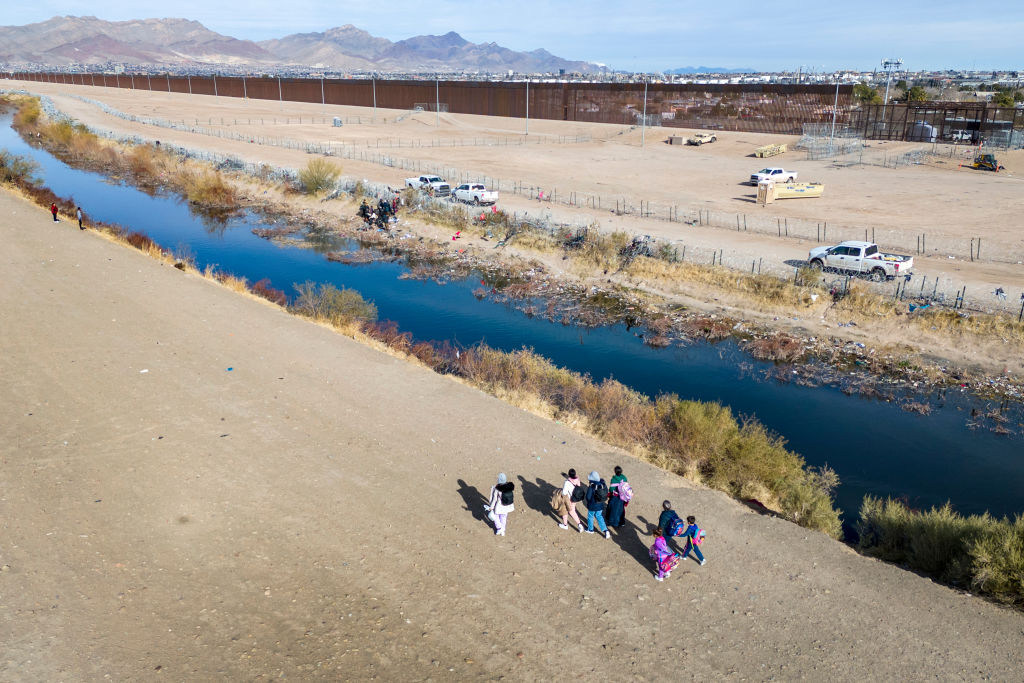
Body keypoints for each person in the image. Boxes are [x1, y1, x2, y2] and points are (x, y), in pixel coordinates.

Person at [487, 472, 515, 537]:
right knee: (503, 518)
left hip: (499, 507)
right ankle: (503, 530)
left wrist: (491, 507)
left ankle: (499, 529)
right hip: (507, 507)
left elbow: (494, 500)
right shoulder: (509, 487)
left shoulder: (497, 489)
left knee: (496, 517)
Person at [584, 471, 610, 539]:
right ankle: (606, 531)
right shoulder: (602, 485)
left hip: (592, 505)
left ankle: (590, 529)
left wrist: (588, 501)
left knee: (590, 516)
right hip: (600, 504)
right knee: (599, 516)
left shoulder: (592, 486)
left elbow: (588, 497)